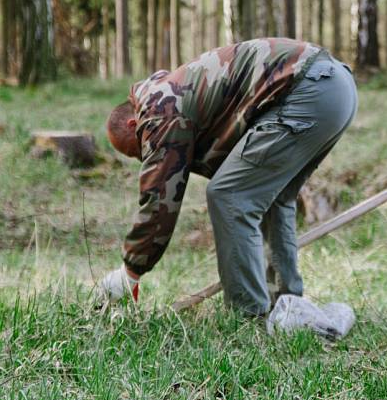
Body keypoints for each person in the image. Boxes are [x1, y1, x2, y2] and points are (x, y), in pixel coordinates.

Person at [97, 38, 358, 316]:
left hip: (308, 89)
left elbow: (160, 197)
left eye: (136, 150)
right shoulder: (177, 94)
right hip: (335, 88)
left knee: (228, 195)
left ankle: (248, 315)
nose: (143, 157)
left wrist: (130, 270)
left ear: (133, 124)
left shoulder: (159, 108)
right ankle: (286, 305)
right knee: (274, 199)